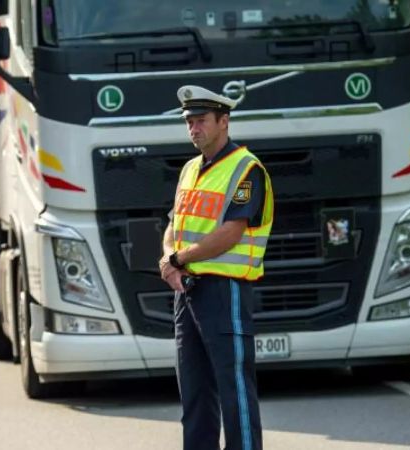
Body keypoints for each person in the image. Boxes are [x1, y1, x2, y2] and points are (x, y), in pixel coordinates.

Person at [160, 85, 274, 450]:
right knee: (194, 392)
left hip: (225, 291)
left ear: (224, 121)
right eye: (189, 122)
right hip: (188, 290)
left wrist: (179, 259)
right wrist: (168, 261)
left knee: (234, 389)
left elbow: (231, 233)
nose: (194, 128)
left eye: (201, 121)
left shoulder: (246, 169)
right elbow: (174, 224)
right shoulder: (190, 169)